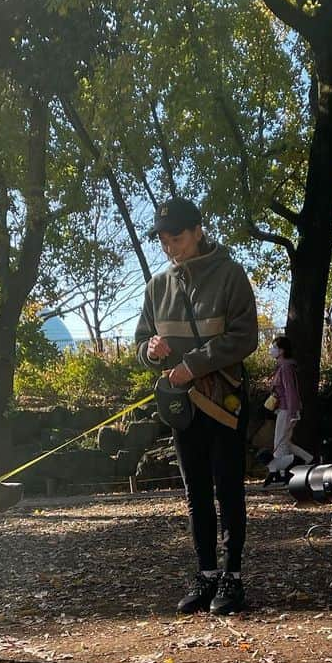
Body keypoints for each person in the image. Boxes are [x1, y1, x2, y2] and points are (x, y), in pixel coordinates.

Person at [135, 197, 259, 614]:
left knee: (228, 489)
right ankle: (205, 574)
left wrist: (192, 364)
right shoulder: (157, 286)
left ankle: (233, 576)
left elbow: (244, 338)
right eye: (164, 240)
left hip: (223, 402)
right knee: (195, 494)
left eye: (178, 237)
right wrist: (151, 351)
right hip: (182, 407)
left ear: (199, 230)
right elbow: (140, 344)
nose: (171, 247)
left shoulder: (230, 274)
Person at [263, 334, 312, 486]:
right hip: (283, 409)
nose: (272, 350)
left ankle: (281, 474)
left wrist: (292, 412)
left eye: (275, 347)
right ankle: (307, 458)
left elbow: (290, 391)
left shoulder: (285, 367)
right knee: (285, 442)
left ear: (282, 351)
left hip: (286, 410)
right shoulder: (283, 367)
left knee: (280, 443)